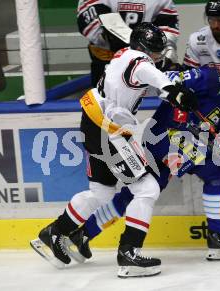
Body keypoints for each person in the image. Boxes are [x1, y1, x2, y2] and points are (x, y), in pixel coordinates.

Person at [60, 54, 220, 277]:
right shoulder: (209, 78)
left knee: (138, 193)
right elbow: (169, 79)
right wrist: (181, 97)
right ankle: (217, 237)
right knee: (214, 172)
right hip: (163, 135)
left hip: (181, 144)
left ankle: (83, 235)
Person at [30, 23, 198, 278]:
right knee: (147, 188)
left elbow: (149, 74)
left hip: (93, 121)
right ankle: (129, 252)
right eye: (156, 51)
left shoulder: (123, 54)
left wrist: (170, 76)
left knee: (101, 191)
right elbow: (164, 86)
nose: (158, 56)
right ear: (146, 49)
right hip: (109, 129)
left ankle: (55, 231)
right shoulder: (142, 64)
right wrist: (182, 95)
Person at [77, 0, 180, 87]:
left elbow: (167, 32)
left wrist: (166, 54)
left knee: (141, 101)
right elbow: (92, 25)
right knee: (103, 101)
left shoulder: (162, 2)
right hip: (108, 58)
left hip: (145, 60)